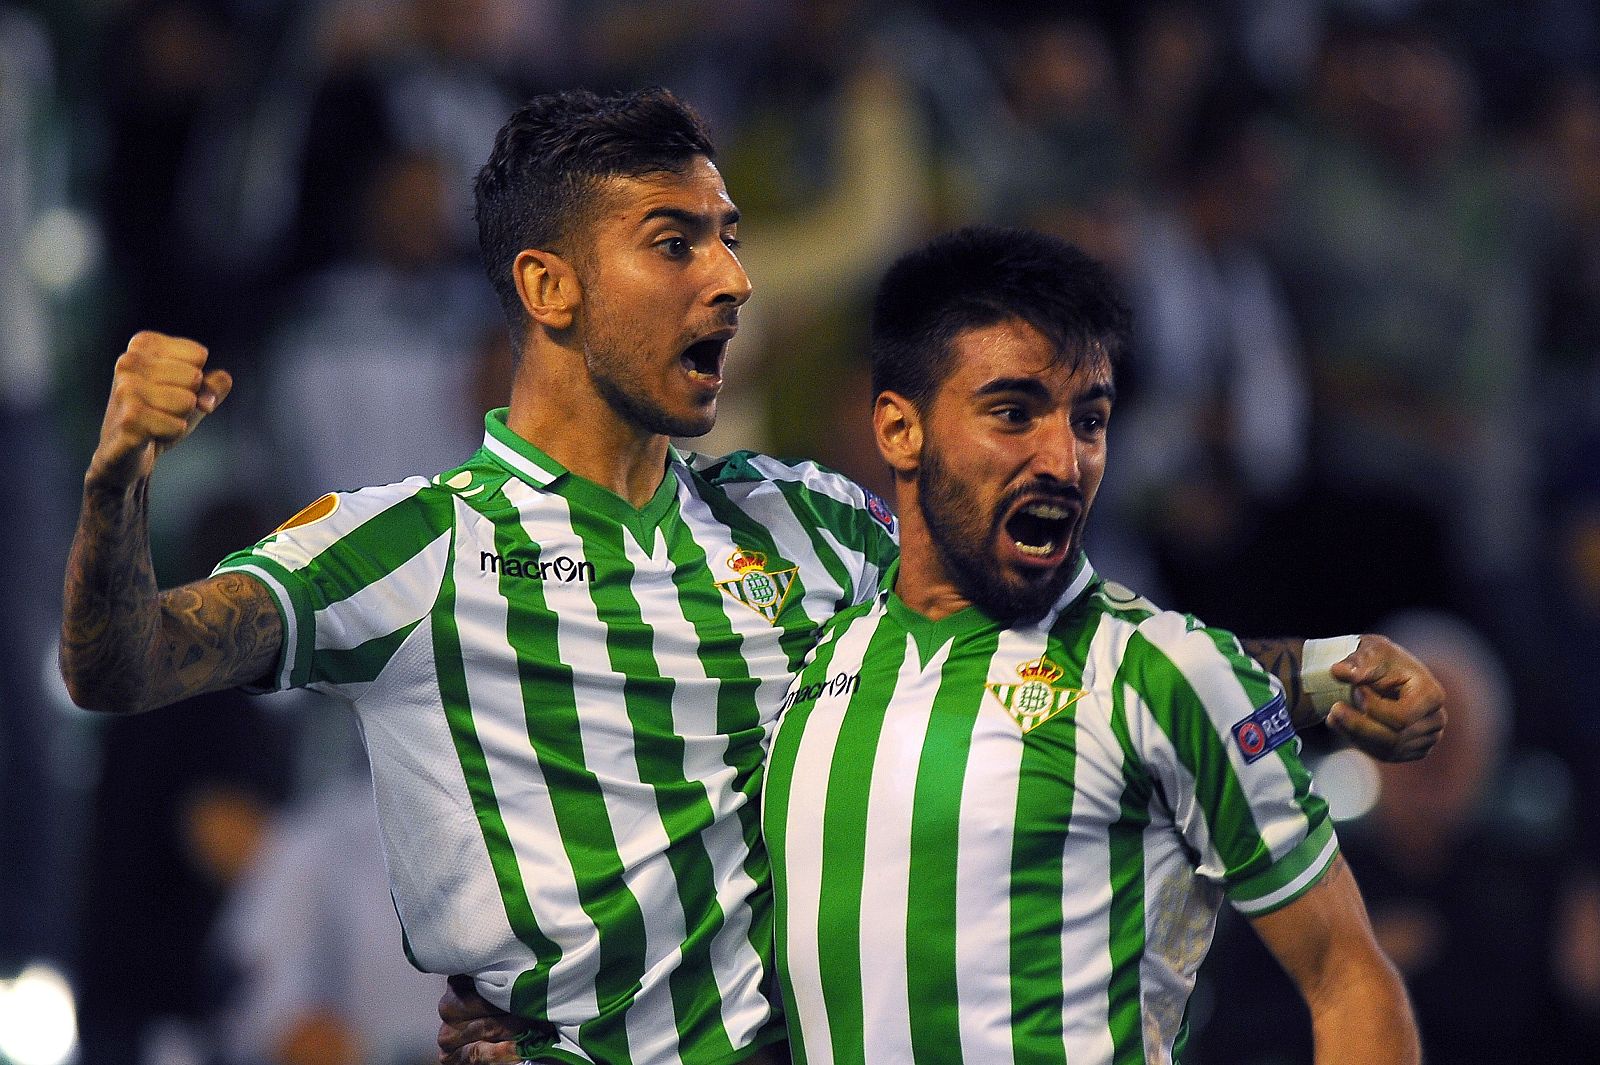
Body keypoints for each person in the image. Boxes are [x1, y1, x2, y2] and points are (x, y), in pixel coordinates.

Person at [61, 89, 1439, 1065]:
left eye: (731, 236)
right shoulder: (408, 546)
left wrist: (1310, 674)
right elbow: (119, 664)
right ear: (549, 289)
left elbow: (1081, 667)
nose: (730, 278)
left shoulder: (811, 525)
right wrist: (118, 474)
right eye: (676, 243)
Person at [761, 227, 1419, 1063]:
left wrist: (1340, 668)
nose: (1064, 459)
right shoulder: (813, 656)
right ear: (899, 430)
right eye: (1013, 413)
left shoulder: (1162, 670)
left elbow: (1350, 977)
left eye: (1090, 420)